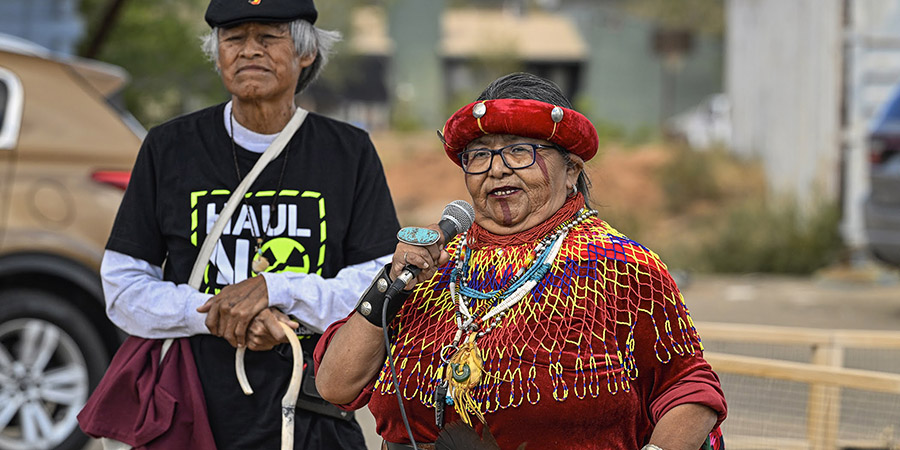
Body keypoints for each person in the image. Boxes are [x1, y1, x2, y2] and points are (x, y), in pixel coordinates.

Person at [315, 72, 727, 450]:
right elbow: (336, 385)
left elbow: (689, 389)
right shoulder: (433, 267)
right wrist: (392, 282)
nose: (497, 169)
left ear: (571, 170)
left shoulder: (622, 266)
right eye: (479, 155)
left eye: (520, 151)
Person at [88, 0, 400, 448]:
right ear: (218, 54)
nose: (249, 50)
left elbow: (378, 284)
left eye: (268, 37)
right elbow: (122, 289)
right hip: (191, 409)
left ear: (305, 52)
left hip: (313, 410)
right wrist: (219, 314)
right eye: (234, 39)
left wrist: (279, 290)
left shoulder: (348, 151)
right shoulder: (169, 147)